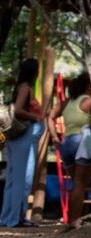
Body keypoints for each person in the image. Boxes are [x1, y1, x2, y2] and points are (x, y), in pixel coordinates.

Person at [47, 72, 91, 224]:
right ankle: (73, 220)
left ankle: (72, 219)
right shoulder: (90, 102)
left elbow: (50, 116)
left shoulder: (65, 103)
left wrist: (54, 137)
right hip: (82, 143)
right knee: (79, 183)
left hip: (66, 144)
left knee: (77, 183)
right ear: (89, 86)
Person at [1, 58, 45, 227]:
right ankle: (15, 219)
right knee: (20, 179)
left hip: (15, 138)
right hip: (22, 136)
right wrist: (36, 117)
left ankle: (7, 217)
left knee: (12, 179)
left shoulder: (19, 87)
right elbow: (18, 109)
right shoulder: (25, 88)